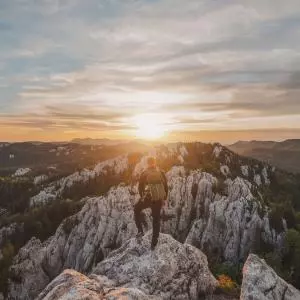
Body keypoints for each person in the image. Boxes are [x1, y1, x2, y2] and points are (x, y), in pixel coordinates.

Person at [134, 156, 168, 250]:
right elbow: (166, 186)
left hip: (148, 198)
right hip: (158, 199)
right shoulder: (161, 172)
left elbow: (140, 188)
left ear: (148, 164)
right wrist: (164, 199)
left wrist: (142, 198)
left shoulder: (144, 173)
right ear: (155, 163)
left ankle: (140, 230)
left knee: (136, 209)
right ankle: (154, 243)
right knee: (156, 220)